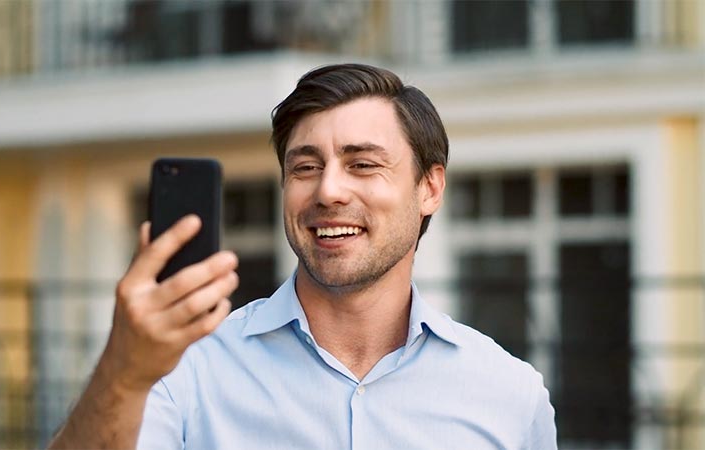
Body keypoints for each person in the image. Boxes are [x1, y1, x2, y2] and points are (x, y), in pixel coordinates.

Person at [48, 64, 556, 449]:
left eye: (362, 164)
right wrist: (123, 369)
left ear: (429, 188)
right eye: (306, 167)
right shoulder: (186, 370)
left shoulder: (510, 394)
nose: (329, 190)